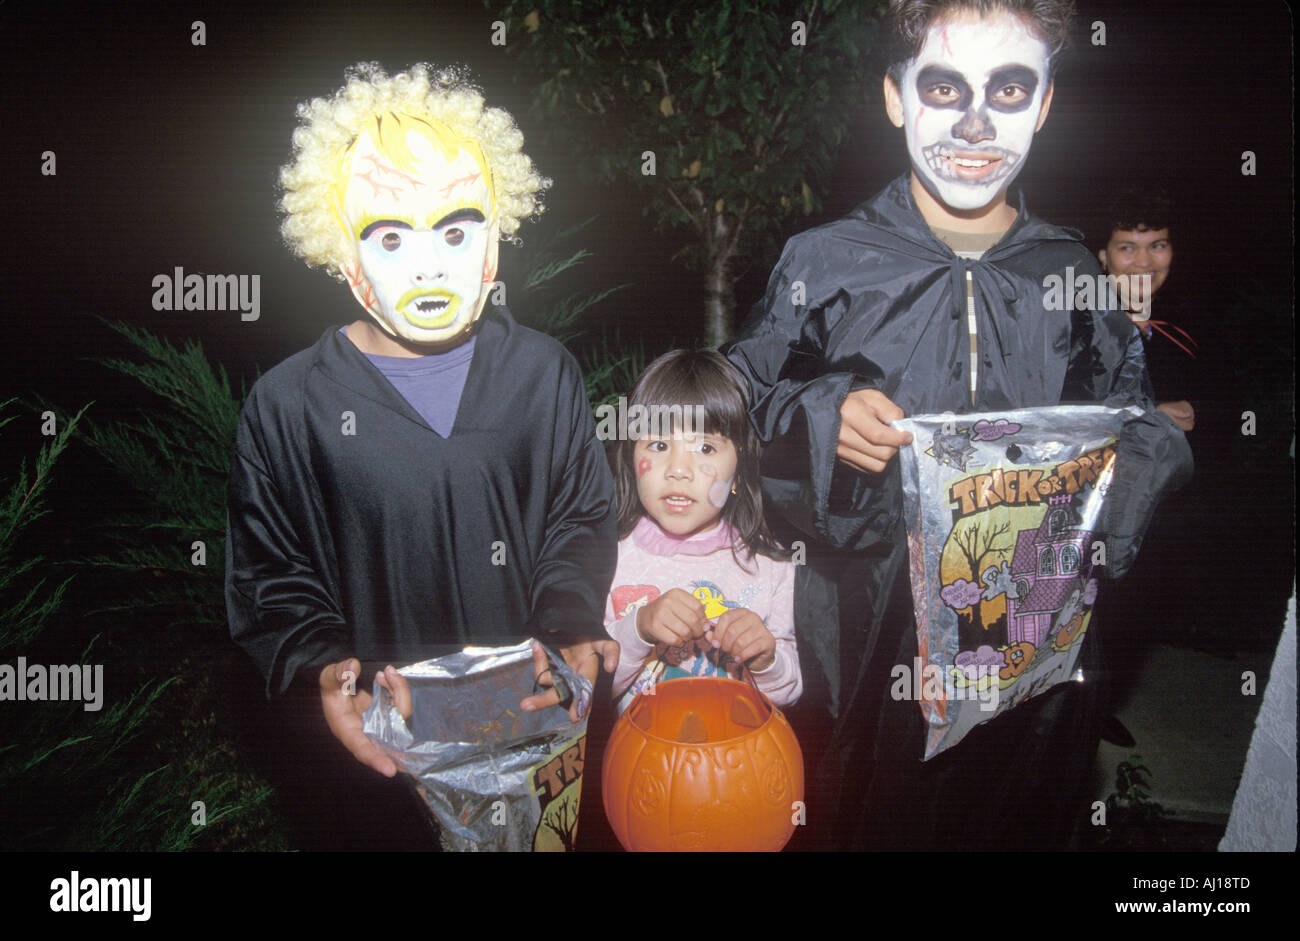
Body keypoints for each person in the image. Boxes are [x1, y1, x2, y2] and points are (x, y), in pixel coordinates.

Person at [724, 0, 1192, 850]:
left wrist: (1139, 465)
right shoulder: (822, 259)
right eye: (945, 87)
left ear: (1044, 106)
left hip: (1032, 653)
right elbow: (733, 401)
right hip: (863, 645)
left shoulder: (1070, 269)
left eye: (1009, 90)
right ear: (896, 98)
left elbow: (1134, 413)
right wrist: (817, 415)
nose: (976, 122)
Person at [225, 63, 618, 849]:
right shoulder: (286, 405)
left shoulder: (543, 374)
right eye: (392, 236)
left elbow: (580, 515)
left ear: (496, 237)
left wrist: (569, 620)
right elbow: (271, 570)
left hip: (533, 738)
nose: (432, 263)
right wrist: (322, 664)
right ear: (342, 251)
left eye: (456, 228)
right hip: (382, 768)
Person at [601, 350, 800, 713]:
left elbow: (789, 691)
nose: (678, 469)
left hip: (743, 761)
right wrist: (639, 628)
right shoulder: (607, 557)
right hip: (641, 763)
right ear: (631, 459)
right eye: (659, 445)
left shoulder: (770, 562)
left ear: (740, 470)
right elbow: (593, 690)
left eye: (705, 447)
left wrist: (765, 658)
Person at [1097, 187, 1196, 432]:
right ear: (1103, 256)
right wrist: (1146, 417)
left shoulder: (1190, 327)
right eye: (1127, 248)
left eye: (1157, 246)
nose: (1144, 262)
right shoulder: (1078, 329)